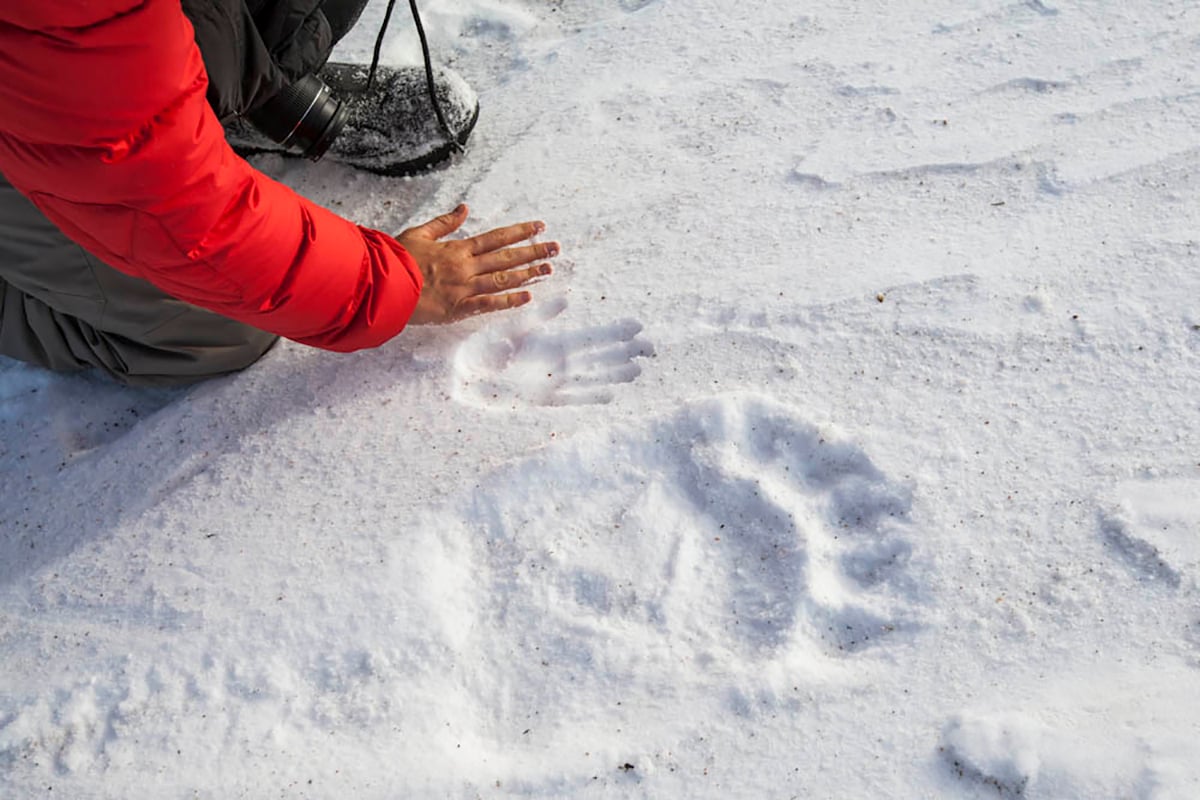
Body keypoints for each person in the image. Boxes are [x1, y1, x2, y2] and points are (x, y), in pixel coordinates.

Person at [0, 0, 558, 386]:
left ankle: (205, 98)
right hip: (46, 90)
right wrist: (395, 285)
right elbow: (181, 217)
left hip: (79, 70)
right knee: (218, 325)